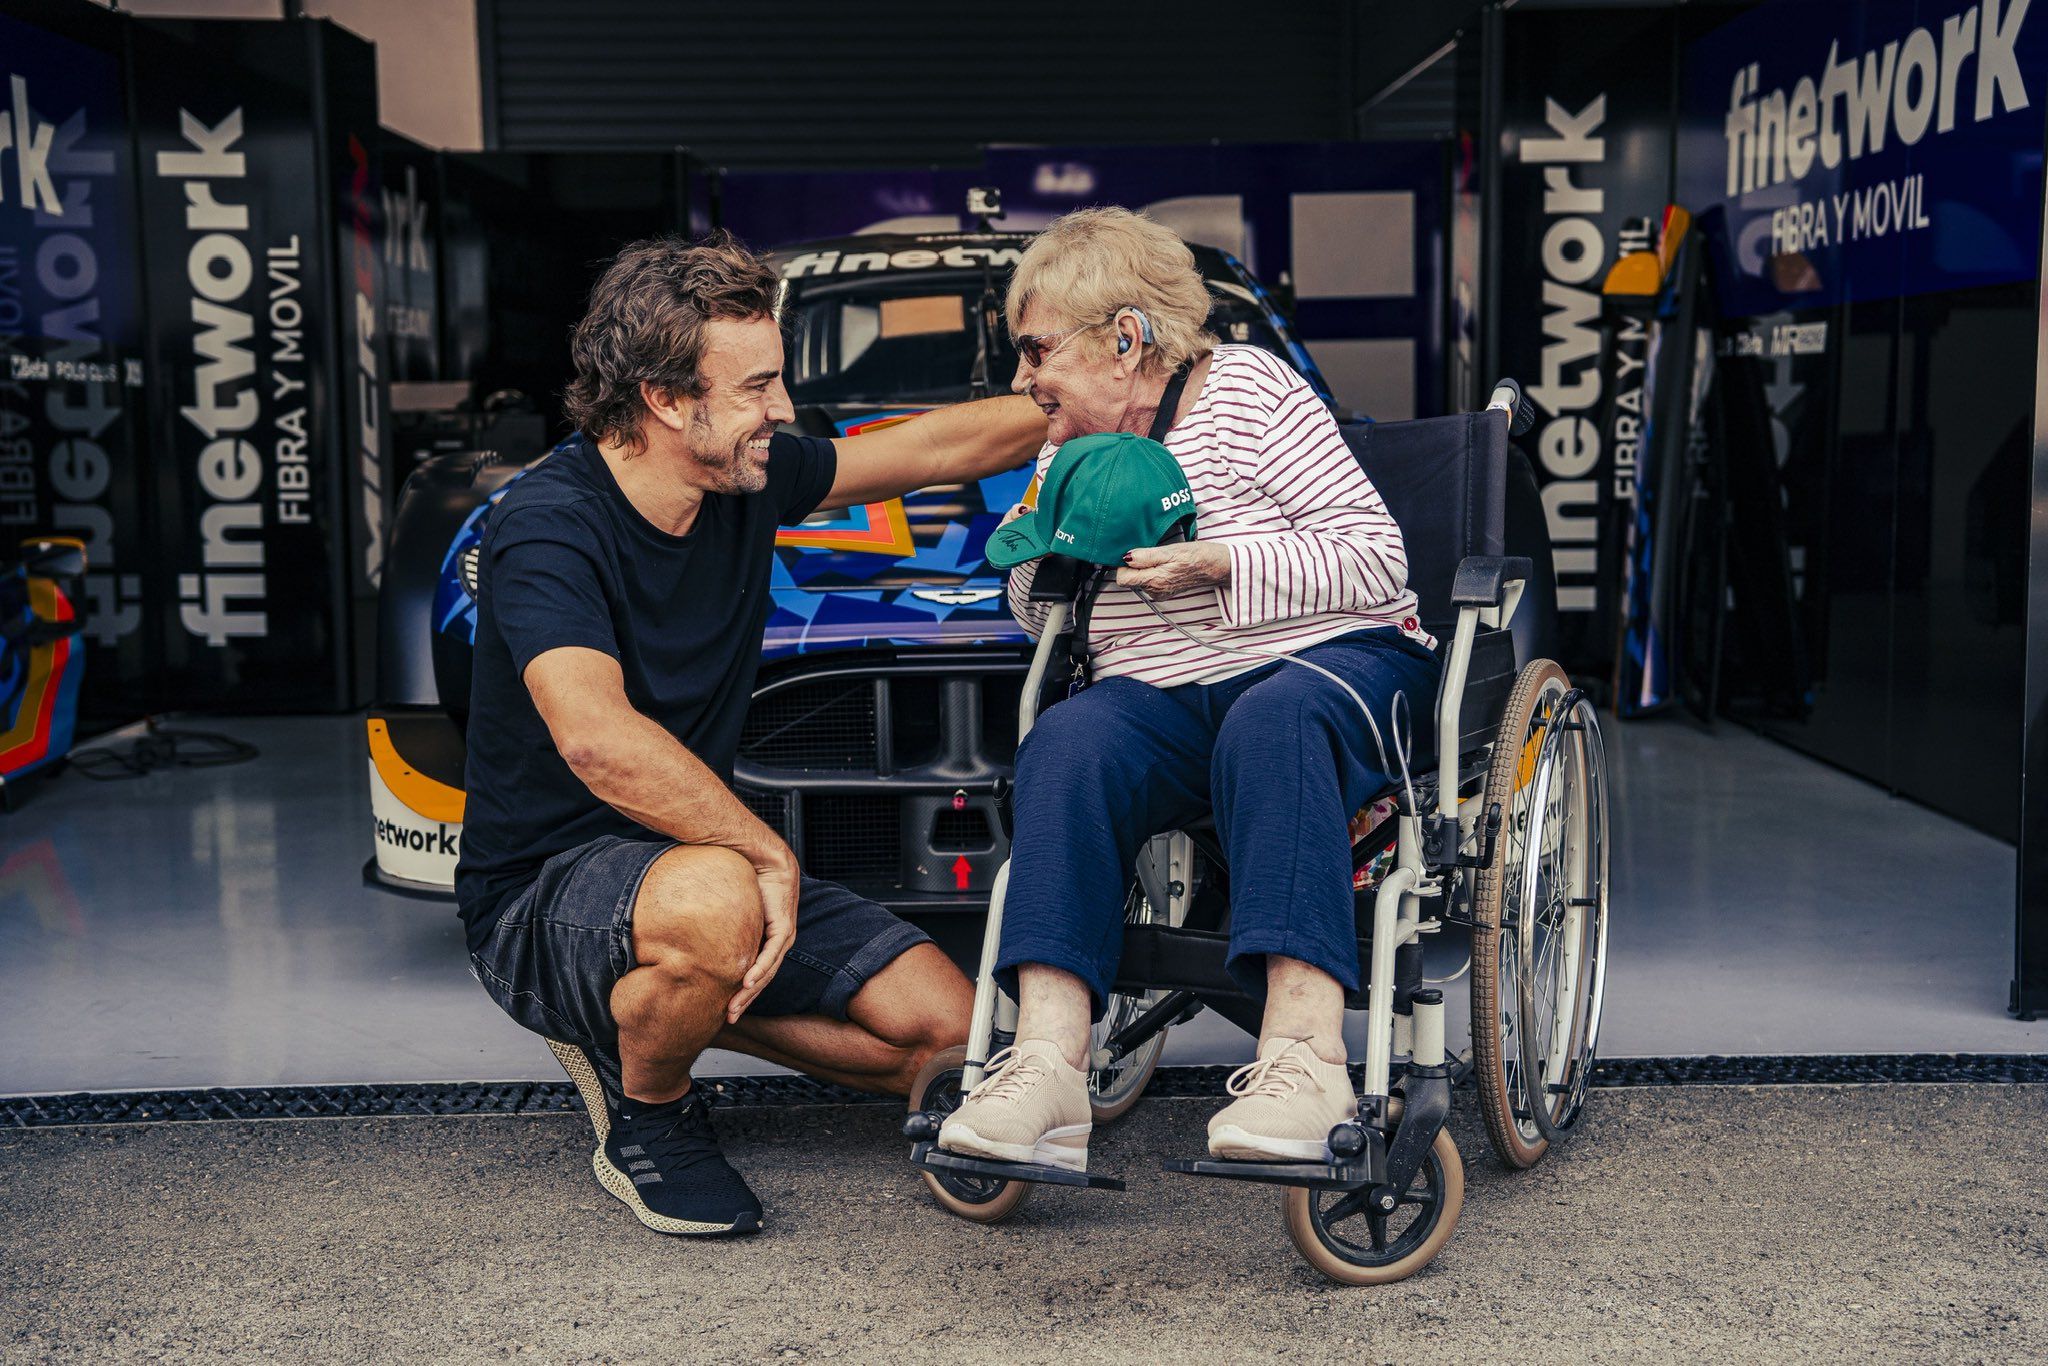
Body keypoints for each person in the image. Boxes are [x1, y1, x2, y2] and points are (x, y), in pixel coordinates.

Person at [458, 233, 1047, 1236]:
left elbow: (937, 447)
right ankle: (648, 1109)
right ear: (665, 399)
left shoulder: (745, 473)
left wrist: (1088, 405)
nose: (781, 410)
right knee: (723, 894)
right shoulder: (548, 527)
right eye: (758, 387)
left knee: (949, 1038)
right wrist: (762, 849)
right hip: (540, 892)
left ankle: (643, 1016)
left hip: (691, 876)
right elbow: (595, 738)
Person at [937, 207, 1440, 1173]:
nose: (1024, 378)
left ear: (1126, 338)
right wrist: (1052, 569)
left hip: (1333, 670)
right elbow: (1040, 617)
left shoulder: (1249, 388)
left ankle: (1305, 1058)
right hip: (1167, 699)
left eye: (1037, 349)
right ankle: (1046, 1065)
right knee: (1070, 740)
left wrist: (1221, 563)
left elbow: (1375, 559)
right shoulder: (1066, 450)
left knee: (1273, 719)